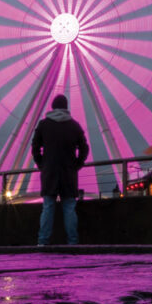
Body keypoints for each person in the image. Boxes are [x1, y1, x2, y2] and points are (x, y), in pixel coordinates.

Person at [31, 94, 89, 246]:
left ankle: (42, 242)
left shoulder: (44, 124)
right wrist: (77, 164)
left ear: (52, 106)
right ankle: (73, 242)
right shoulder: (74, 125)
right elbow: (84, 148)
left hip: (49, 171)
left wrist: (41, 164)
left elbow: (35, 147)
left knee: (48, 207)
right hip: (68, 172)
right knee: (69, 208)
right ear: (66, 107)